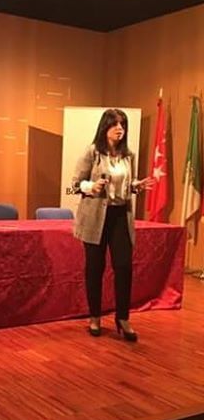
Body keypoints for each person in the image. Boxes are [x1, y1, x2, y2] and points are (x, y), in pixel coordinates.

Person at [72, 108, 154, 342]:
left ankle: (123, 318)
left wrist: (135, 186)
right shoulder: (92, 152)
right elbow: (75, 184)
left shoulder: (129, 155)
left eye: (123, 125)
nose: (120, 129)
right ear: (105, 127)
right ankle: (95, 317)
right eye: (115, 124)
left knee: (124, 267)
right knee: (95, 269)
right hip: (95, 217)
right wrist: (91, 187)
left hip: (120, 216)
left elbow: (125, 185)